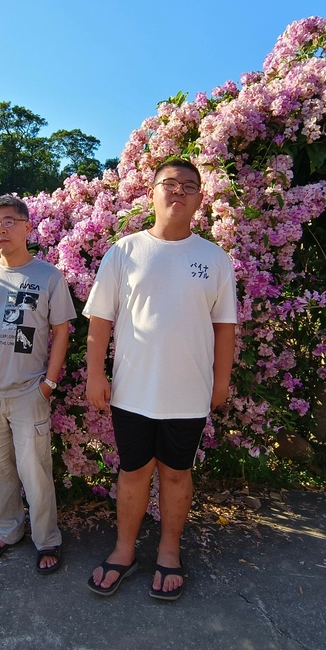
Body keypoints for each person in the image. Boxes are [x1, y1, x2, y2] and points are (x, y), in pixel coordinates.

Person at [84, 159, 238, 600]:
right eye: (169, 184)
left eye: (189, 186)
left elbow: (224, 326)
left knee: (176, 474)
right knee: (133, 473)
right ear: (151, 193)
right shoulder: (124, 252)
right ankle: (124, 551)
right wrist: (95, 374)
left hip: (188, 395)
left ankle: (169, 551)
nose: (178, 192)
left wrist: (221, 381)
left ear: (199, 199)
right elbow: (100, 320)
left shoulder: (214, 259)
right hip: (132, 393)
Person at [0, 194, 76, 574]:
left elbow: (61, 331)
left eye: (9, 221)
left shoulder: (48, 276)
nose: (0, 229)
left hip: (30, 393)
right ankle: (4, 532)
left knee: (35, 472)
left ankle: (47, 539)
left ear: (28, 226)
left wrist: (49, 383)